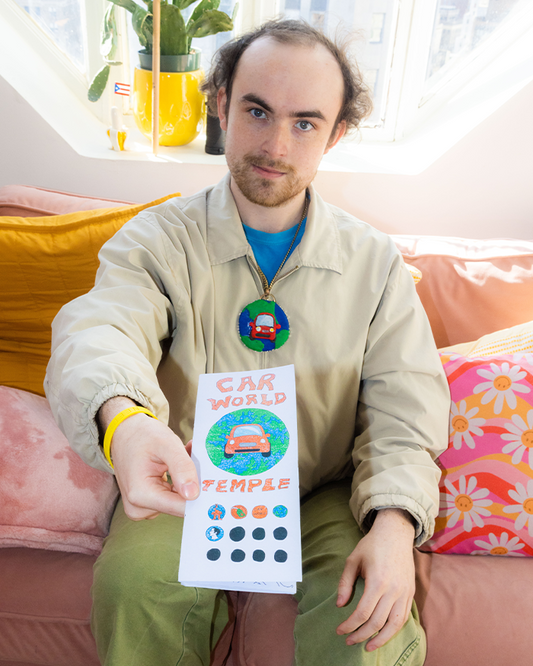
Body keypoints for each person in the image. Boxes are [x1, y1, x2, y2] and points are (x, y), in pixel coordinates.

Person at [45, 19, 449, 666]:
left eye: (305, 123)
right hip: (189, 478)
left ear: (335, 135)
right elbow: (100, 328)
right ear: (221, 105)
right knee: (134, 586)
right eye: (257, 111)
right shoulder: (156, 240)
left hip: (325, 490)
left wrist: (396, 523)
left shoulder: (374, 263)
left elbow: (406, 405)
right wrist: (124, 422)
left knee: (372, 615)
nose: (276, 145)